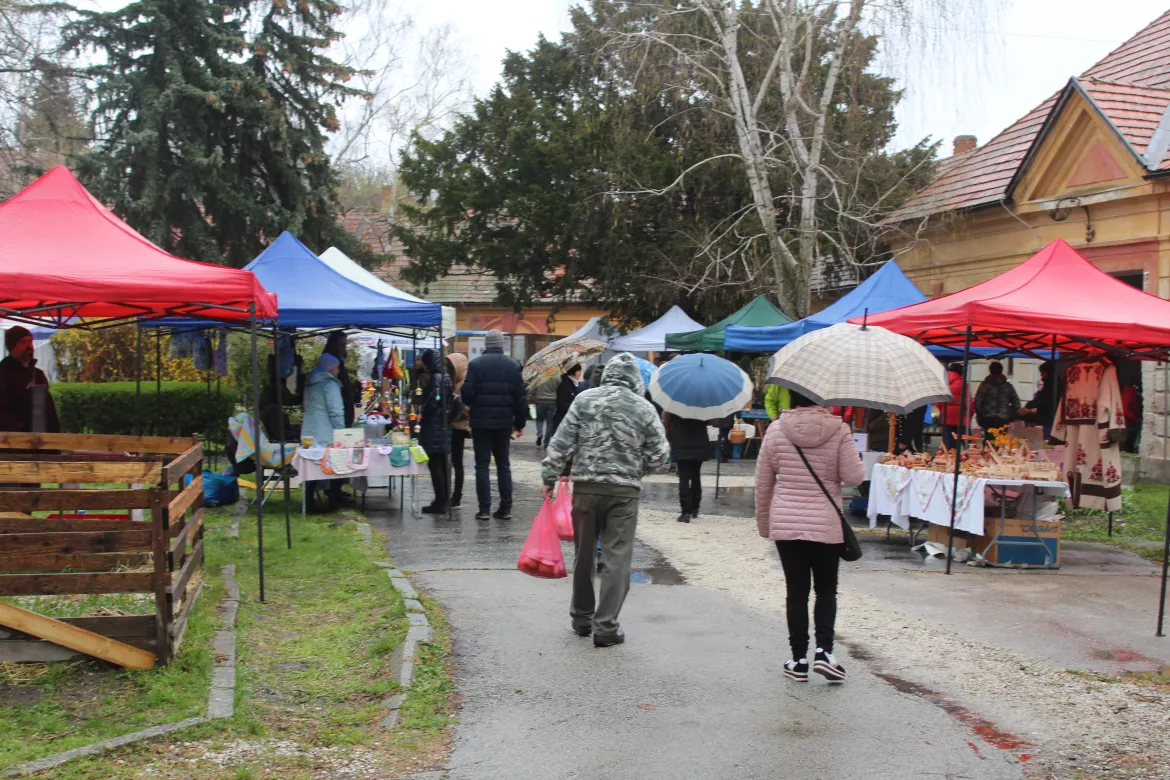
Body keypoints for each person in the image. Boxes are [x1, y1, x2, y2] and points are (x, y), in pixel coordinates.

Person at [542, 353, 669, 648]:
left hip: (586, 487)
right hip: (624, 492)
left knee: (584, 554)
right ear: (636, 380)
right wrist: (638, 470)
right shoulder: (644, 407)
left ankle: (581, 618)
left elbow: (561, 442)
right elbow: (659, 456)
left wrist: (550, 478)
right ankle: (606, 626)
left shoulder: (584, 400)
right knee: (617, 558)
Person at [755, 390, 865, 683]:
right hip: (825, 523)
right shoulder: (839, 429)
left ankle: (799, 659)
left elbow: (763, 482)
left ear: (790, 398)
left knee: (796, 592)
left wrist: (765, 525)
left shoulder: (776, 429)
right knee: (826, 590)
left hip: (786, 522)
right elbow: (854, 478)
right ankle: (825, 653)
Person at [462, 329, 527, 520]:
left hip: (481, 422)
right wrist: (520, 423)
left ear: (486, 344)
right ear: (501, 344)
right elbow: (520, 398)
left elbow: (467, 394)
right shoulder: (513, 366)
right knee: (503, 464)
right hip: (504, 422)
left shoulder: (475, 365)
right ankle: (505, 508)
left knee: (482, 465)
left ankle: (484, 509)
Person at [302, 353, 345, 511]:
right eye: (337, 368)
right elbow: (336, 411)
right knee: (334, 464)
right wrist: (341, 431)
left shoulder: (309, 383)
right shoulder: (330, 385)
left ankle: (308, 501)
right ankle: (333, 501)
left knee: (311, 466)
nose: (338, 371)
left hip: (308, 430)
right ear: (331, 367)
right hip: (326, 431)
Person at [0, 327, 59, 433]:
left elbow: (48, 408)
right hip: (14, 442)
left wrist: (55, 432)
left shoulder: (38, 375)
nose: (29, 346)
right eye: (23, 342)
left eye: (30, 341)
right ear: (12, 346)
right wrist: (19, 428)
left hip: (42, 440)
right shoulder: (3, 374)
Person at [417, 349, 454, 515]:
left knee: (435, 464)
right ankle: (444, 499)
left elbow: (432, 403)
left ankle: (440, 502)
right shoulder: (445, 376)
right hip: (443, 425)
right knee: (442, 464)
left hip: (434, 426)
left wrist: (422, 416)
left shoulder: (435, 378)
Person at [663, 411, 710, 523]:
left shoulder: (674, 405)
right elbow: (712, 421)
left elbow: (666, 422)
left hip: (681, 443)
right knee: (696, 476)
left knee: (683, 478)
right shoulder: (702, 405)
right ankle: (695, 507)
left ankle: (685, 512)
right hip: (699, 443)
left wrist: (669, 439)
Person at [446, 353, 470, 508]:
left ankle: (457, 496)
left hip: (459, 427)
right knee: (454, 462)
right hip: (453, 425)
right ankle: (452, 495)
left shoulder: (464, 383)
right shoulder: (455, 382)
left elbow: (467, 407)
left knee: (457, 462)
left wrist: (456, 410)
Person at [974, 362, 1021, 435]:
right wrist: (1011, 415)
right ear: (1001, 370)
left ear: (990, 370)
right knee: (1002, 441)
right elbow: (1016, 403)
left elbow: (977, 402)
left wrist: (980, 414)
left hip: (987, 417)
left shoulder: (984, 385)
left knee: (988, 440)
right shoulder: (1008, 386)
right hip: (1003, 418)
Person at [1020, 361, 1062, 440]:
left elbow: (1043, 399)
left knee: (1046, 440)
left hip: (1048, 417)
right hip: (1051, 416)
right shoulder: (1055, 381)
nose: (1041, 375)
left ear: (1047, 372)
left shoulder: (1051, 383)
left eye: (1042, 372)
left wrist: (1029, 405)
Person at [324, 331, 356, 427]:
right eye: (341, 344)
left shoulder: (338, 358)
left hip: (344, 399)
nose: (344, 347)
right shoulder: (331, 359)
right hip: (339, 400)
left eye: (345, 344)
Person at [940, 363, 969, 450]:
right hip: (961, 418)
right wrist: (969, 415)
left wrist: (944, 411)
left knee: (948, 444)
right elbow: (969, 404)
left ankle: (947, 460)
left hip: (946, 418)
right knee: (960, 442)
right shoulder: (963, 384)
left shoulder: (944, 383)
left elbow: (939, 403)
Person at [551, 361, 584, 439]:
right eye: (578, 371)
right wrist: (574, 407)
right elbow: (561, 403)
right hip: (562, 421)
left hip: (568, 421)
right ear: (573, 372)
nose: (580, 373)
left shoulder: (574, 384)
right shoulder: (564, 384)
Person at [1121, 382, 1142, 454]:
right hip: (1124, 423)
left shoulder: (1133, 393)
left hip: (1127, 422)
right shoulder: (1128, 392)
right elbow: (1125, 410)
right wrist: (1135, 419)